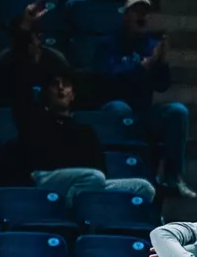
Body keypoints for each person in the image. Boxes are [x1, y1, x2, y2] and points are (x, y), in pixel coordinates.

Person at [97, 0, 192, 198]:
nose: (142, 17)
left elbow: (162, 86)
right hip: (114, 107)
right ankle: (121, 171)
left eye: (145, 13)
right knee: (119, 109)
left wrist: (163, 63)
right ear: (126, 16)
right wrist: (145, 65)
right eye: (136, 12)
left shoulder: (150, 45)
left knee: (177, 111)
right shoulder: (109, 44)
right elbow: (109, 79)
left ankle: (172, 177)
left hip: (144, 112)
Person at [18, 67, 154, 200]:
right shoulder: (36, 122)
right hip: (48, 178)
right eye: (55, 85)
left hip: (89, 182)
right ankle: (68, 210)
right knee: (94, 177)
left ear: (72, 95)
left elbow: (100, 168)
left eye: (65, 85)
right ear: (46, 92)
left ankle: (91, 208)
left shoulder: (84, 130)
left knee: (143, 187)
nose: (60, 88)